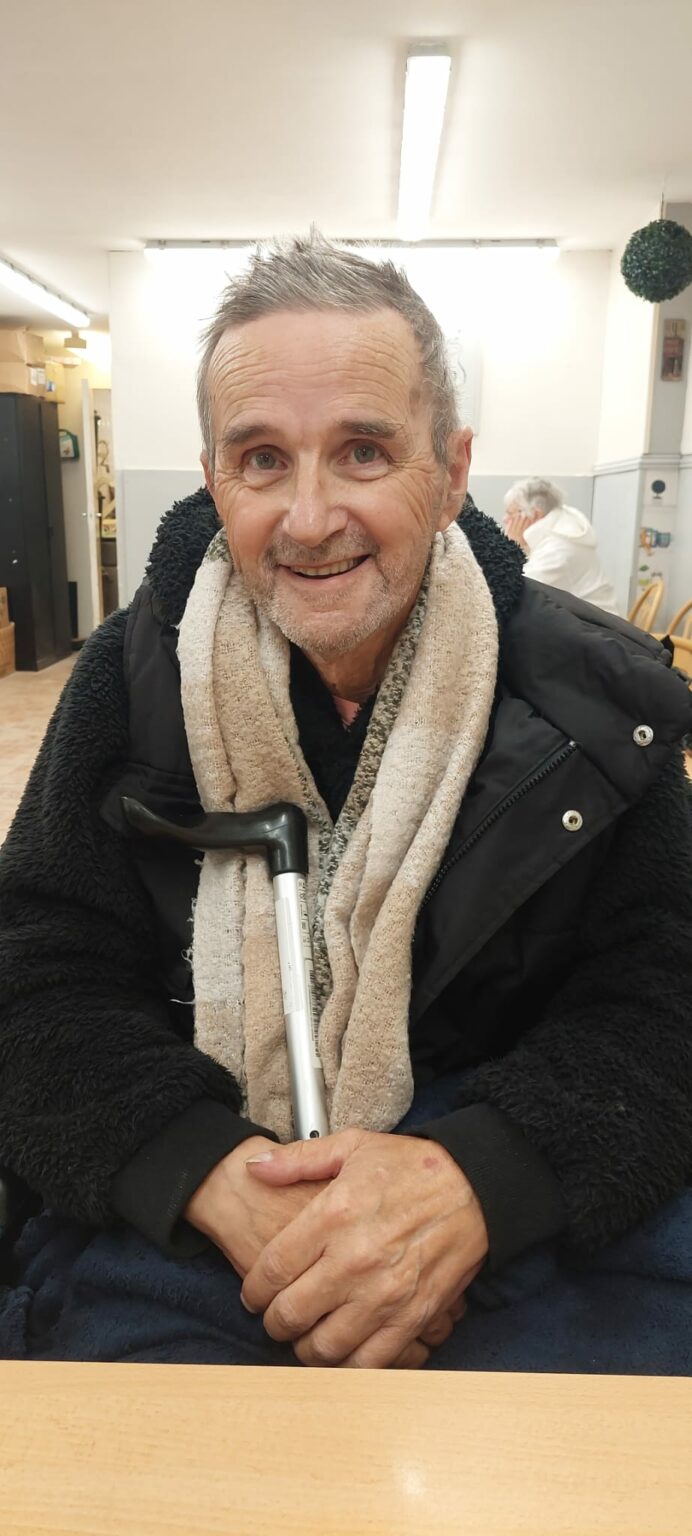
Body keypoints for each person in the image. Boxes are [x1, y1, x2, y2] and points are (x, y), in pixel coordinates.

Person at [0, 234, 691, 1373]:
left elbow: (663, 991)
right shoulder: (129, 681)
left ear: (452, 472)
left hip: (518, 1208)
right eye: (262, 460)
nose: (311, 517)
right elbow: (36, 970)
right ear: (214, 479)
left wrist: (479, 1180)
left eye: (363, 452)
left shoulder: (598, 703)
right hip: (203, 1199)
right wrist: (209, 1172)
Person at [503, 477, 620, 614]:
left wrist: (512, 548)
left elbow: (516, 593)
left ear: (535, 514)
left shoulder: (558, 547)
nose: (505, 519)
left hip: (594, 624)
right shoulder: (560, 529)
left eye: (510, 513)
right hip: (589, 619)